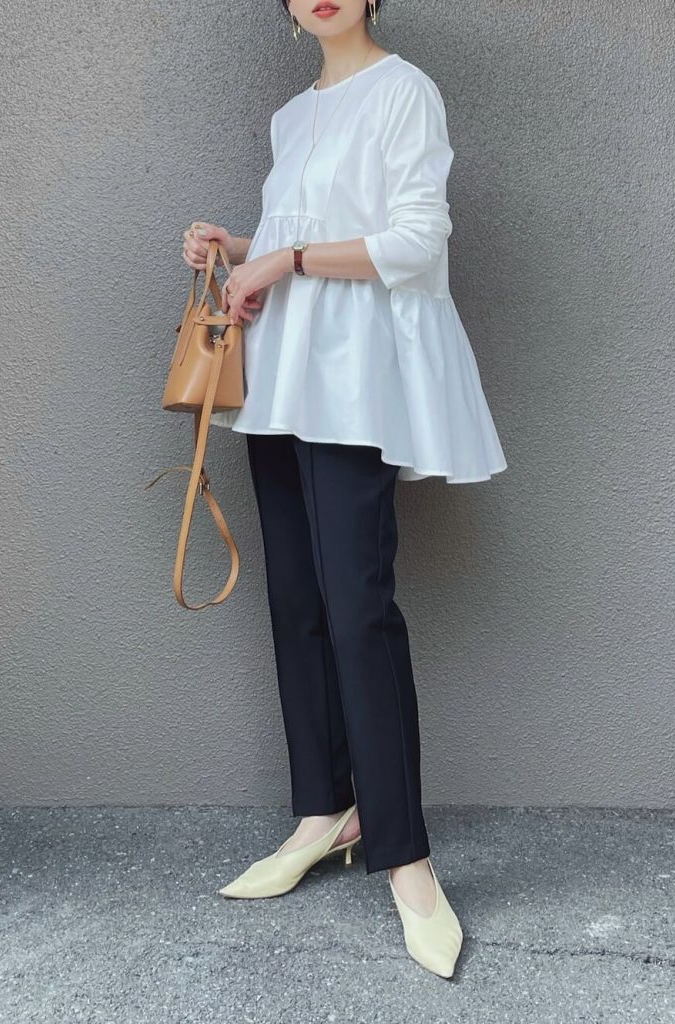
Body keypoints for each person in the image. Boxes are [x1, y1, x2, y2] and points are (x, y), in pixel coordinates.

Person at [181, 0, 507, 980]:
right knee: (297, 603)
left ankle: (405, 855)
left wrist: (284, 258)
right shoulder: (292, 117)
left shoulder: (405, 92)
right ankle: (324, 811)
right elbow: (308, 238)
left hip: (356, 384)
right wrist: (242, 248)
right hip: (280, 378)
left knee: (360, 608)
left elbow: (415, 240)